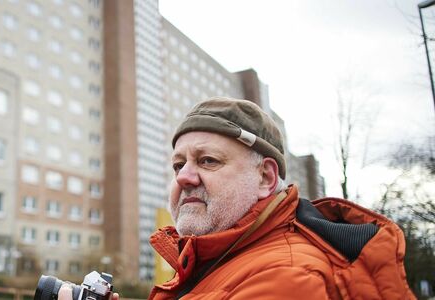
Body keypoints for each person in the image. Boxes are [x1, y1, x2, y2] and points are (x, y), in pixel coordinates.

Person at [59, 97, 414, 299]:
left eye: (208, 161)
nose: (184, 176)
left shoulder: (286, 277)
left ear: (265, 178)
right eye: (178, 164)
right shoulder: (221, 260)